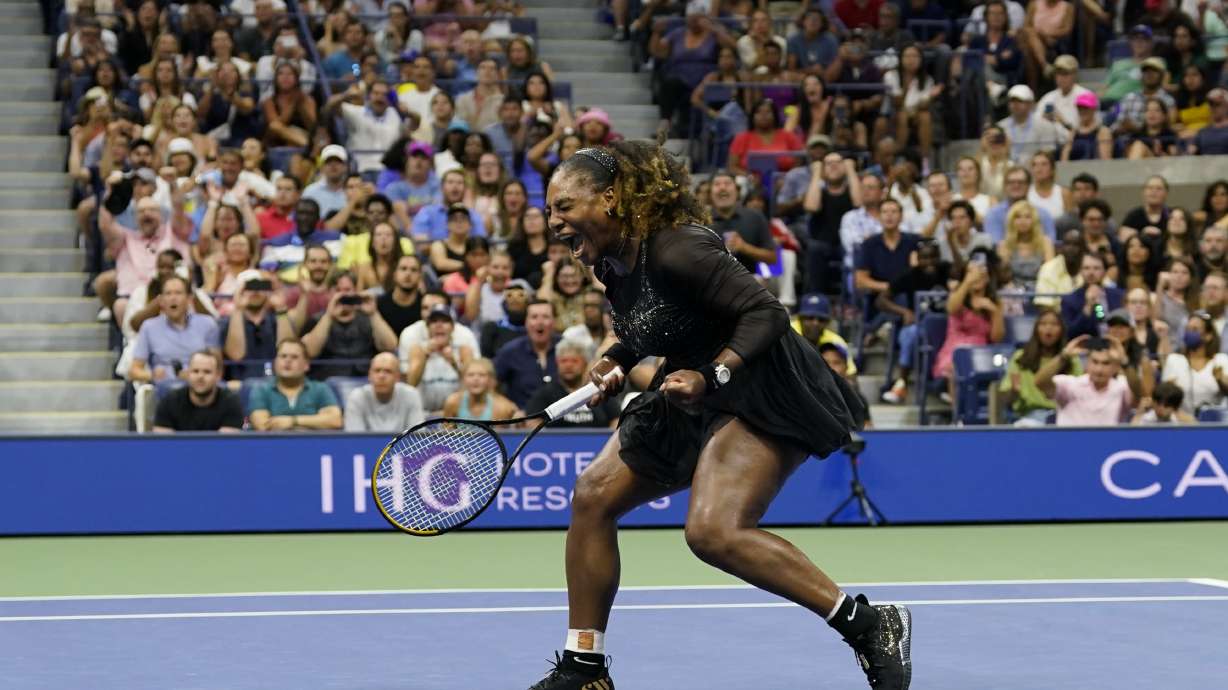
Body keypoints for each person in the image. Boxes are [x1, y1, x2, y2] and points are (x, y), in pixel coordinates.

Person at [530, 141, 891, 690]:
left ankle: (868, 624)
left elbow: (766, 312)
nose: (552, 221)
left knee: (713, 531)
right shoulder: (611, 262)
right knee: (592, 497)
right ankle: (585, 667)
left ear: (610, 199)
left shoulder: (678, 247)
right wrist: (613, 360)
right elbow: (647, 324)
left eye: (563, 206)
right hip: (690, 388)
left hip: (759, 384)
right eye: (549, 209)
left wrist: (713, 374)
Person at [877, 240, 953, 404]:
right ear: (917, 259)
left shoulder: (947, 271)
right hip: (920, 325)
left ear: (939, 257)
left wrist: (951, 239)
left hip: (949, 326)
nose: (929, 262)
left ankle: (947, 386)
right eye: (924, 258)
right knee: (909, 334)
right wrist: (904, 311)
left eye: (933, 257)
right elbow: (881, 300)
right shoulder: (910, 276)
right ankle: (901, 383)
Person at [997, 308, 1082, 425]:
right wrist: (1014, 391)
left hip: (1064, 416)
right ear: (1036, 329)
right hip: (1031, 417)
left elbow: (1079, 395)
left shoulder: (1071, 360)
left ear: (1062, 330)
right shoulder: (1020, 358)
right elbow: (1006, 400)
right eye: (1043, 324)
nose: (1049, 328)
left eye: (1054, 324)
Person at [1035, 335, 1134, 426]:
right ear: (1087, 363)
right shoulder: (1069, 384)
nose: (1099, 369)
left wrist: (1124, 361)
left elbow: (1138, 396)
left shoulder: (1121, 385)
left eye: (1106, 363)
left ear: (1116, 367)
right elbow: (1040, 382)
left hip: (1109, 443)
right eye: (1095, 362)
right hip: (1069, 443)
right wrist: (1064, 355)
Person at [249, 338, 344, 431]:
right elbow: (262, 425)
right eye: (283, 356)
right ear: (275, 362)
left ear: (306, 365)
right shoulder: (261, 390)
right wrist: (314, 423)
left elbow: (335, 421)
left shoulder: (320, 389)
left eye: (294, 357)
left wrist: (293, 421)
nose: (288, 361)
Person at [524, 339, 621, 428]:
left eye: (574, 361)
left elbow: (616, 420)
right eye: (564, 361)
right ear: (557, 363)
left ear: (585, 364)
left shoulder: (600, 390)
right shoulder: (545, 393)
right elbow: (532, 421)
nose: (568, 366)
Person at [152, 350, 245, 432]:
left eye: (207, 372)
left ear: (218, 376)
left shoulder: (231, 402)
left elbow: (227, 445)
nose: (200, 377)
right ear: (188, 374)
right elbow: (163, 444)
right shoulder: (169, 401)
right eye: (195, 371)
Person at [406, 303, 473, 414]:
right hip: (423, 414)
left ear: (453, 327)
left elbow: (473, 386)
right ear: (428, 327)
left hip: (455, 415)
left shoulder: (464, 350)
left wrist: (454, 363)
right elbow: (411, 384)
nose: (439, 325)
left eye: (445, 321)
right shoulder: (418, 349)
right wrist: (425, 356)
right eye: (434, 321)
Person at [1161, 312, 1228, 414]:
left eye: (1195, 329)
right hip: (1182, 422)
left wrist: (1221, 381)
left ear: (1208, 335)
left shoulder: (1220, 360)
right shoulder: (1174, 360)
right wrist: (1170, 389)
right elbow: (1163, 399)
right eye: (1187, 329)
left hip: (1213, 423)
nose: (1189, 333)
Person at [343, 351, 425, 432]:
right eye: (377, 370)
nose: (381, 376)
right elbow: (355, 440)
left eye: (388, 371)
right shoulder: (356, 397)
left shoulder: (411, 395)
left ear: (397, 377)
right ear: (369, 375)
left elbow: (417, 436)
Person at [1061, 252, 1124, 339]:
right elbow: (1070, 334)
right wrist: (1088, 306)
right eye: (1086, 268)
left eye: (1096, 268)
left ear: (1105, 271)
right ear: (1080, 271)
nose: (1091, 272)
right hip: (1085, 347)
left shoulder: (1119, 296)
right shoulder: (1069, 300)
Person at [441, 357, 519, 420]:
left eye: (482, 375)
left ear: (490, 380)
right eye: (471, 375)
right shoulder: (452, 402)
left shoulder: (503, 407)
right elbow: (445, 435)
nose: (476, 379)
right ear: (463, 379)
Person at [1132, 381, 1196, 424]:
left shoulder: (1183, 420)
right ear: (1153, 402)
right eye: (1158, 403)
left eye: (1166, 405)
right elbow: (1131, 437)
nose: (1161, 408)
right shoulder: (1146, 419)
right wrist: (1139, 413)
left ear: (1174, 407)